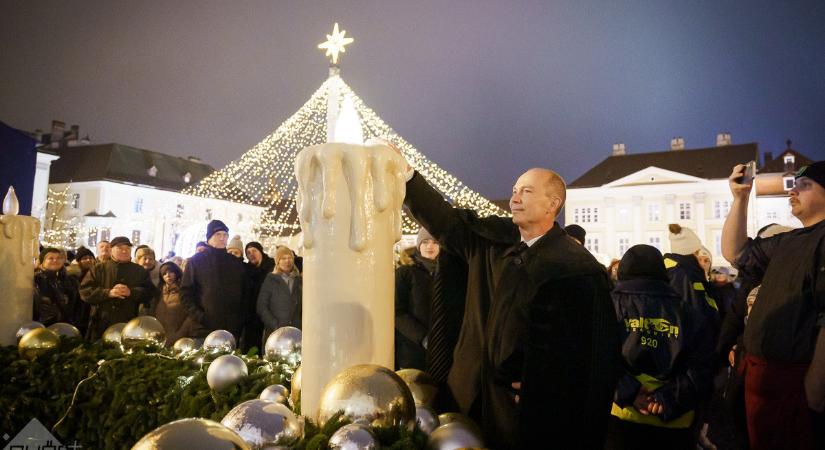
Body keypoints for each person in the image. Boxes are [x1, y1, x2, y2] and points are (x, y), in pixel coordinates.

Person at [394, 143, 618, 449]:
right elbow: (444, 221)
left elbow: (592, 355)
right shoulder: (490, 243)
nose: (514, 197)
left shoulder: (577, 269)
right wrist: (408, 177)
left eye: (526, 191)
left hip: (522, 417)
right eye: (514, 189)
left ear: (553, 203)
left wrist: (549, 386)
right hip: (466, 396)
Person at [721, 161, 825, 449]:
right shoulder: (788, 240)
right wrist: (740, 198)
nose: (793, 191)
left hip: (795, 382)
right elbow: (735, 252)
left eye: (805, 185)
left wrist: (813, 392)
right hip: (764, 380)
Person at [606, 245, 715, 449]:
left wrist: (631, 392)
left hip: (621, 417)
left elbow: (599, 358)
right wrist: (667, 399)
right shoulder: (689, 313)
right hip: (676, 422)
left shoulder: (609, 307)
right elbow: (703, 367)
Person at [180, 220, 251, 340]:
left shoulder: (235, 263)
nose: (222, 238)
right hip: (203, 328)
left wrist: (239, 319)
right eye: (218, 234)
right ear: (209, 238)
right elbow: (185, 294)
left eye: (225, 235)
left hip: (231, 329)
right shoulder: (195, 261)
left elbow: (246, 293)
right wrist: (200, 316)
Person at [80, 236, 153, 340]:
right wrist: (108, 293)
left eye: (127, 248)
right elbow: (85, 291)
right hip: (101, 322)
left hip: (129, 322)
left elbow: (149, 292)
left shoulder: (139, 271)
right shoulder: (98, 269)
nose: (124, 251)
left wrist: (131, 292)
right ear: (111, 250)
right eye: (120, 248)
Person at [395, 227, 440, 370]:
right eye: (425, 242)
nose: (430, 246)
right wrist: (422, 337)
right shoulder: (406, 272)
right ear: (419, 245)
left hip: (441, 351)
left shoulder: (446, 273)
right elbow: (397, 312)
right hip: (412, 352)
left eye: (435, 242)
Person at [257, 246, 302, 337]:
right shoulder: (271, 279)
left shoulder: (299, 280)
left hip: (296, 331)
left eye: (289, 258)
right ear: (278, 262)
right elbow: (261, 306)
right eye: (283, 258)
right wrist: (275, 324)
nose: (287, 261)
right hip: (276, 332)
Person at [151, 262, 200, 345]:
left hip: (179, 338)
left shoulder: (184, 291)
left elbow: (190, 315)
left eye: (171, 272)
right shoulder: (158, 292)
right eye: (164, 274)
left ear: (176, 273)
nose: (168, 275)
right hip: (159, 338)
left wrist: (179, 334)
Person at [33, 247, 82, 328]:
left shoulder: (70, 280)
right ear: (42, 262)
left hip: (67, 325)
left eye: (58, 258)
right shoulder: (36, 280)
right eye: (50, 258)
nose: (55, 260)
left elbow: (76, 304)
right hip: (44, 326)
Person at [243, 241, 275, 350]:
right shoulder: (247, 270)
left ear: (260, 251)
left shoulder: (272, 266)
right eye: (248, 252)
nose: (251, 254)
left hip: (269, 313)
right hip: (252, 316)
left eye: (254, 251)